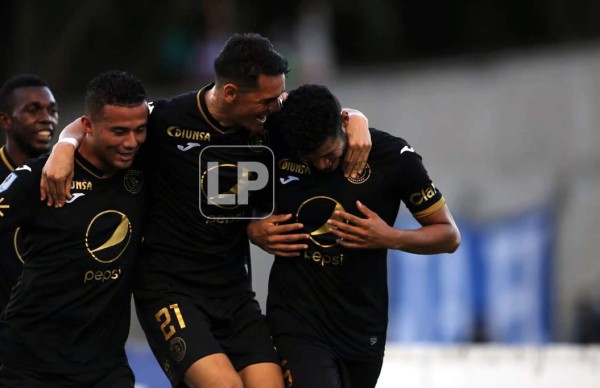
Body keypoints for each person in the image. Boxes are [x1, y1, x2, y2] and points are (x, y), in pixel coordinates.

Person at [39, 33, 371, 388]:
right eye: (269, 99)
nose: (277, 107)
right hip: (170, 290)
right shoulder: (166, 119)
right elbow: (93, 121)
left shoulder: (270, 120)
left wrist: (359, 120)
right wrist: (64, 145)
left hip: (234, 292)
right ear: (230, 93)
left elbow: (330, 117)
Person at [247, 84, 461, 388]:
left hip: (362, 324)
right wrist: (252, 228)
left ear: (343, 126)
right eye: (312, 159)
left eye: (330, 154)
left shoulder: (392, 157)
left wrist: (390, 237)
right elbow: (265, 98)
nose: (322, 165)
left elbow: (449, 236)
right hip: (296, 317)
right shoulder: (278, 141)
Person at [0, 70, 148, 387]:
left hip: (106, 365)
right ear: (89, 126)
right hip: (31, 364)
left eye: (139, 131)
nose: (130, 142)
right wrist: (65, 146)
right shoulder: (40, 176)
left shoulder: (143, 166)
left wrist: (65, 141)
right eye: (119, 131)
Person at [0, 74, 59, 312]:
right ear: (5, 121)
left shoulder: (67, 173)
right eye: (33, 110)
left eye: (52, 110)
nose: (46, 119)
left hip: (56, 328)